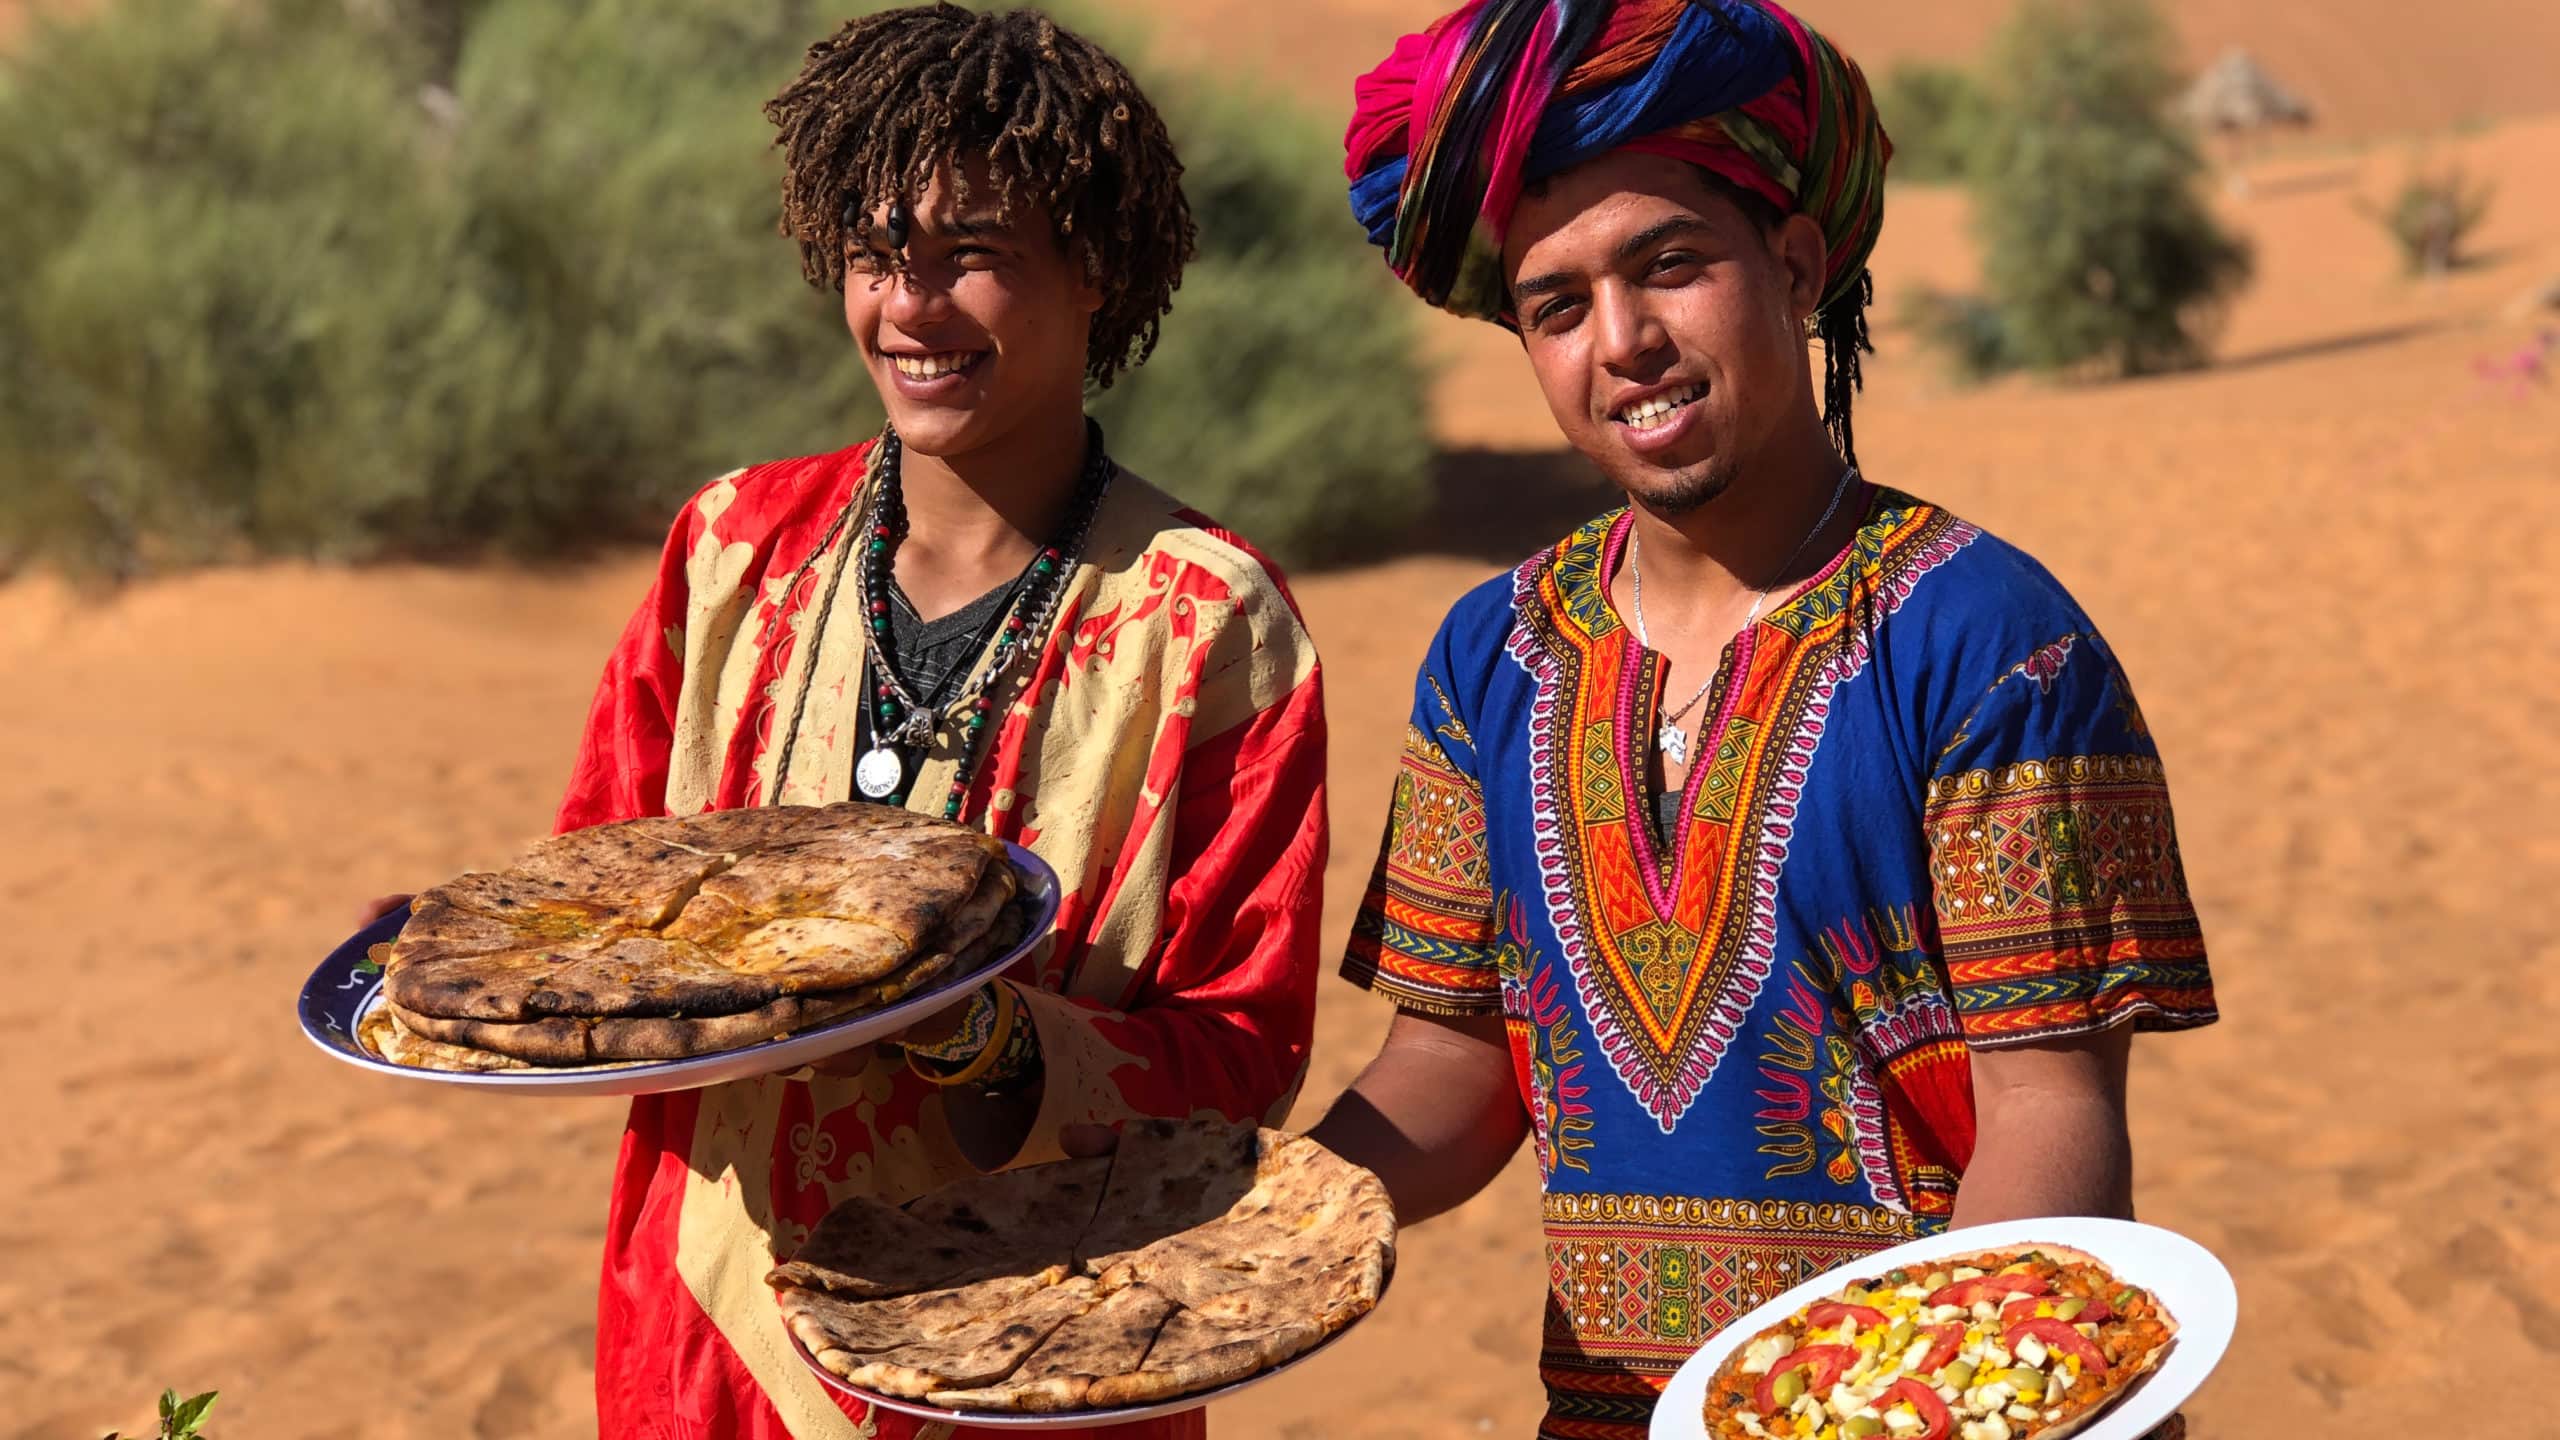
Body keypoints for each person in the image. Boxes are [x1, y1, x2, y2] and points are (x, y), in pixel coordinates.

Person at [369, 7, 1327, 1436]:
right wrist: (487, 971)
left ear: (1098, 270)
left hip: (1043, 1346)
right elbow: (596, 885)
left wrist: (985, 1040)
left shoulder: (1208, 622)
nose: (911, 311)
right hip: (713, 1317)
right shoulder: (733, 549)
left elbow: (1240, 1053)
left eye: (975, 257)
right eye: (879, 256)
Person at [1308, 3, 2217, 1436]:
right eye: (1557, 306)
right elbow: (1453, 1058)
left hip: (1961, 1405)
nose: (1626, 343)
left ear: (1793, 264)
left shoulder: (1991, 641)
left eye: (1669, 266)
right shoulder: (1488, 656)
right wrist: (1273, 1214)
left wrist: (1946, 1402)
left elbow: (2051, 1103)